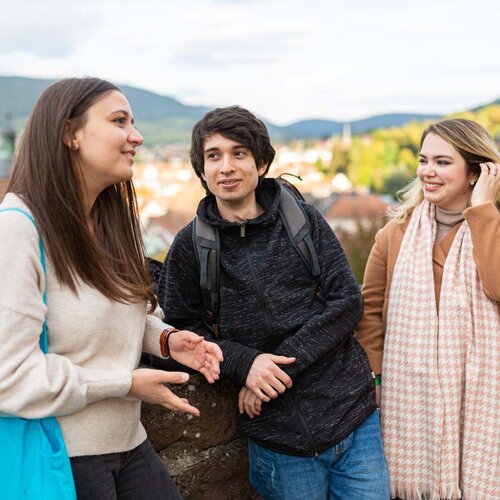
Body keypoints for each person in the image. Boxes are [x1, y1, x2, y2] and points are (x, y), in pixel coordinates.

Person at [0, 77, 223, 500]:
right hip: (62, 459)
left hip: (129, 444)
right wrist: (125, 383)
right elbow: (9, 377)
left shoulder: (109, 222)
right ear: (71, 134)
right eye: (119, 121)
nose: (136, 136)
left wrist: (167, 340)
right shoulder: (17, 229)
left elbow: (106, 314)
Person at [158, 106, 390, 500]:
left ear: (261, 162)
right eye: (214, 156)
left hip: (353, 420)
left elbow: (347, 302)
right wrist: (244, 363)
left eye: (239, 153)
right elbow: (180, 330)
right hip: (279, 443)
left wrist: (271, 375)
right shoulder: (190, 246)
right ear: (201, 170)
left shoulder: (302, 219)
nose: (226, 167)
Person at [355, 118, 500, 499]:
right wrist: (376, 377)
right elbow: (369, 312)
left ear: (476, 171)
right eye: (424, 160)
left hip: (481, 396)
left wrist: (483, 210)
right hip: (410, 398)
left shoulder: (494, 226)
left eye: (442, 162)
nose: (428, 172)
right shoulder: (396, 234)